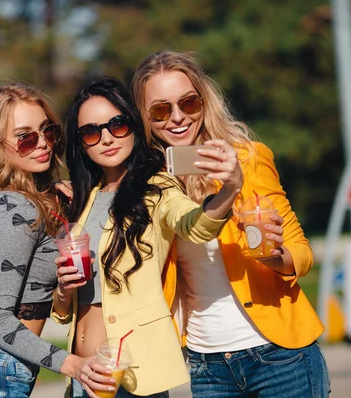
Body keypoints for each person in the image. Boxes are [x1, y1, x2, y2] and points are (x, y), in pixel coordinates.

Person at [131, 50, 330, 398]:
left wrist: (272, 255)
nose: (177, 117)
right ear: (144, 117)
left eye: (188, 103)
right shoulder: (146, 185)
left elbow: (301, 254)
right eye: (161, 110)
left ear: (204, 102)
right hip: (207, 365)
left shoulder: (248, 159)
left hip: (279, 354)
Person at [51, 76, 243, 398]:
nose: (107, 138)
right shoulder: (84, 201)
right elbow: (67, 309)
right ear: (80, 143)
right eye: (91, 132)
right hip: (83, 375)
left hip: (131, 374)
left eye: (118, 125)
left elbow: (196, 224)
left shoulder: (156, 188)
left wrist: (230, 188)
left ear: (134, 125)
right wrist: (62, 289)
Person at [0, 81, 109, 398]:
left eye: (48, 131)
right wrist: (72, 365)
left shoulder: (10, 200)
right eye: (26, 138)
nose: (43, 144)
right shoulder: (17, 207)